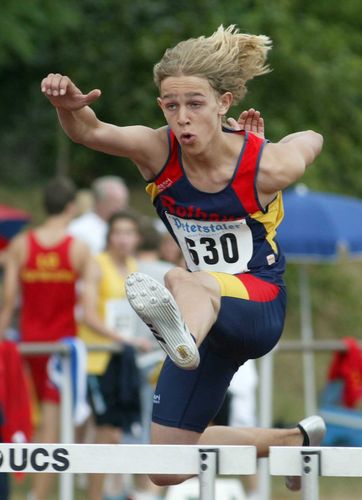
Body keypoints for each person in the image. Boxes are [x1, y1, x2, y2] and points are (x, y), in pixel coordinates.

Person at [41, 24, 325, 492]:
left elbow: (311, 137)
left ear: (224, 104)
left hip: (258, 303)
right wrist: (65, 107)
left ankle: (181, 337)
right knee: (167, 463)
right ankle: (286, 441)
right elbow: (90, 131)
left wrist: (279, 143)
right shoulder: (157, 151)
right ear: (161, 108)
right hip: (204, 325)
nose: (182, 117)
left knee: (185, 278)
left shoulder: (266, 165)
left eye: (195, 104)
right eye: (171, 106)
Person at [0, 176, 91, 500]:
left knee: (18, 413)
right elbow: (90, 311)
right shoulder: (79, 249)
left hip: (27, 344)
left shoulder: (21, 244)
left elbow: (8, 302)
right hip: (60, 349)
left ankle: (20, 484)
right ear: (70, 207)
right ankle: (36, 495)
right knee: (51, 426)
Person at [80, 210, 153, 500]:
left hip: (126, 358)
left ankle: (115, 491)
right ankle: (95, 495)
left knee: (120, 432)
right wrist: (122, 338)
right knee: (106, 432)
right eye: (118, 233)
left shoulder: (135, 267)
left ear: (137, 238)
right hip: (99, 358)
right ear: (109, 236)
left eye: (129, 233)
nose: (123, 240)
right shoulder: (96, 265)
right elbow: (87, 314)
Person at [68, 175, 130, 254]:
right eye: (116, 202)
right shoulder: (78, 230)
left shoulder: (131, 227)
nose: (123, 208)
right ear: (99, 202)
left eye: (124, 202)